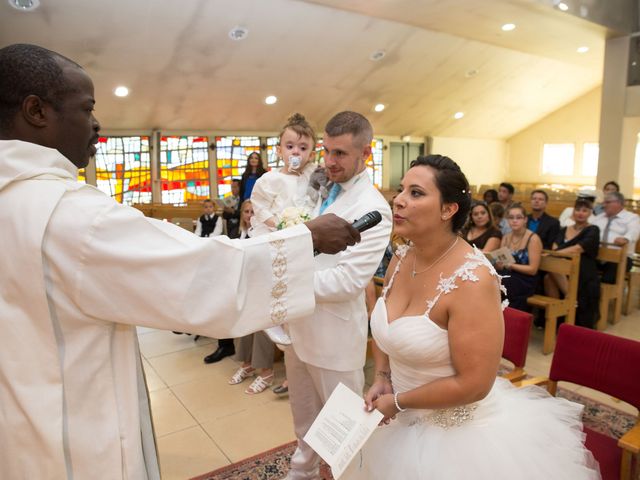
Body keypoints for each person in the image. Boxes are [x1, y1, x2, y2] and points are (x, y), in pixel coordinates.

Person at [0, 43, 360, 479]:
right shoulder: (68, 212)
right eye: (87, 108)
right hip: (72, 436)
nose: (96, 124)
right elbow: (201, 272)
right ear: (37, 110)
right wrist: (308, 240)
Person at [342, 154, 599, 480]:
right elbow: (387, 329)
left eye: (416, 193)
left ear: (448, 210)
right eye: (402, 190)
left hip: (456, 437)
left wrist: (399, 402)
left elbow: (474, 384)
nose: (400, 200)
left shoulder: (472, 280)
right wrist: (382, 375)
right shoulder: (402, 256)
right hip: (401, 413)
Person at [284, 111, 392, 480]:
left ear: (366, 153)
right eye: (327, 150)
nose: (329, 162)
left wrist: (281, 282)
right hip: (296, 326)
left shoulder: (374, 208)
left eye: (341, 154)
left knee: (344, 433)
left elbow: (348, 281)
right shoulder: (315, 187)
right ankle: (303, 470)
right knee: (304, 418)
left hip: (333, 334)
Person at [249, 113, 323, 345]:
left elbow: (316, 200)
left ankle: (291, 319)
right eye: (289, 146)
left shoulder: (312, 176)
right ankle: (271, 320)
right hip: (277, 231)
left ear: (311, 154)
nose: (295, 152)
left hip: (304, 235)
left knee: (295, 280)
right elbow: (260, 208)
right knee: (273, 275)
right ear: (279, 150)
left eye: (302, 148)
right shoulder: (269, 180)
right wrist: (281, 225)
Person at [203, 198, 254, 364]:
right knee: (215, 293)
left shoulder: (259, 233)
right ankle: (224, 343)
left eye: (253, 212)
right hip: (236, 275)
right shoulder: (235, 231)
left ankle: (226, 345)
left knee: (223, 299)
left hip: (251, 279)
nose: (249, 215)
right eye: (246, 212)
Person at [545, 198, 601, 329]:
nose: (580, 213)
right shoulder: (564, 229)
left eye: (584, 210)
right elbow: (555, 246)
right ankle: (558, 315)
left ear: (590, 213)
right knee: (549, 277)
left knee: (554, 266)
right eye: (577, 210)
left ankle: (570, 298)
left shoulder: (593, 229)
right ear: (572, 212)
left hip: (583, 266)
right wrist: (556, 255)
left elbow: (579, 248)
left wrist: (558, 255)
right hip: (561, 264)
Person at [497, 204, 542, 311]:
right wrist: (497, 263)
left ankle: (509, 317)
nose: (514, 221)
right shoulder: (506, 237)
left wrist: (510, 265)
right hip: (509, 276)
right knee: (490, 278)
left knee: (504, 282)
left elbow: (533, 270)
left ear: (525, 219)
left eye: (518, 217)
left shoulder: (533, 238)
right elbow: (502, 264)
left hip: (526, 280)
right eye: (511, 218)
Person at [592, 191, 640, 284]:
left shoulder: (632, 218)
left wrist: (625, 238)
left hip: (620, 257)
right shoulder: (599, 218)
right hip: (597, 255)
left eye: (607, 202)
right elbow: (589, 231)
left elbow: (634, 231)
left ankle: (605, 296)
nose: (603, 205)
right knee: (582, 268)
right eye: (604, 202)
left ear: (619, 203)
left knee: (608, 278)